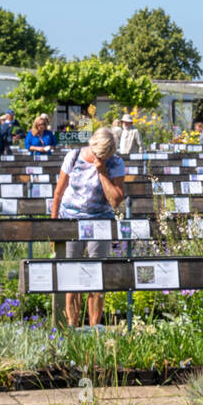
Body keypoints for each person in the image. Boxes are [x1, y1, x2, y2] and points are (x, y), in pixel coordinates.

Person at [50, 127, 127, 327]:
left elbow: (116, 200)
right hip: (71, 220)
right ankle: (72, 326)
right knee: (71, 276)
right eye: (98, 154)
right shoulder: (74, 156)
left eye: (105, 155)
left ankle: (94, 328)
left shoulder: (116, 163)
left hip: (99, 221)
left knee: (97, 276)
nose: (100, 157)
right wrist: (53, 226)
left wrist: (102, 171)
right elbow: (58, 193)